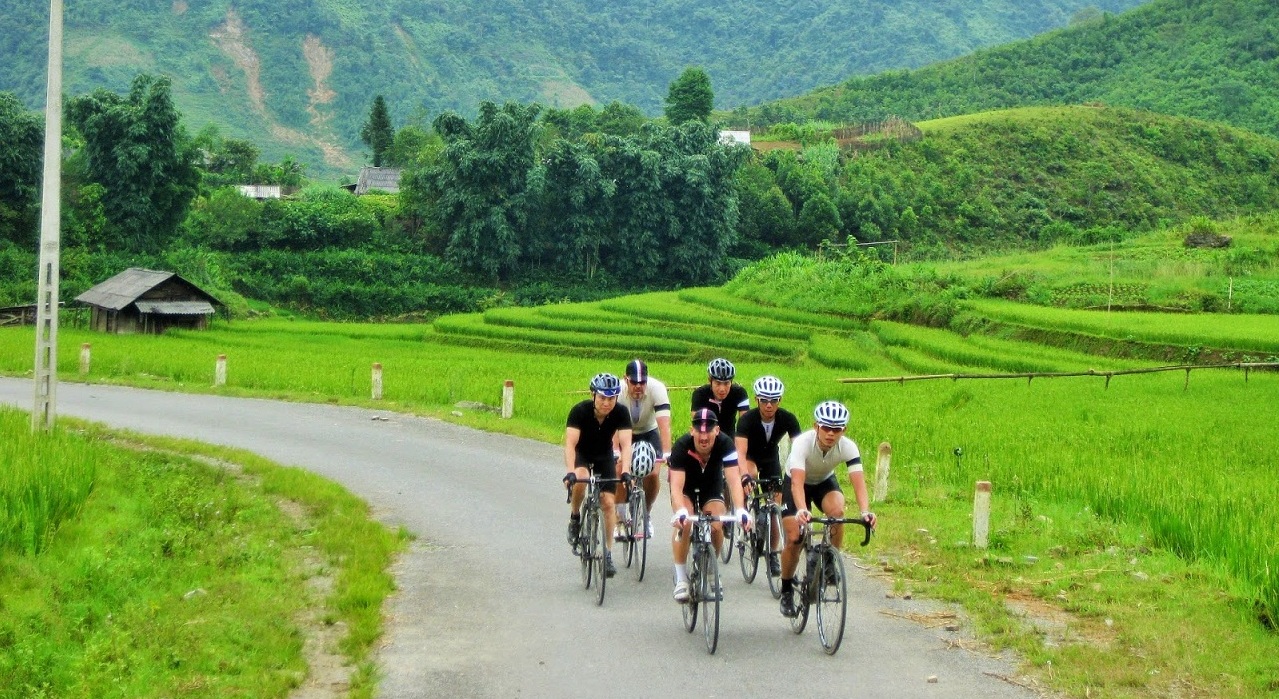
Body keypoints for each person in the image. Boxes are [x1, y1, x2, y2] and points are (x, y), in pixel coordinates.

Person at [777, 400, 876, 618]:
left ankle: (829, 561)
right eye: (826, 428)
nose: (831, 434)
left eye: (837, 429)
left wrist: (865, 512)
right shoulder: (803, 443)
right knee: (795, 537)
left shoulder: (848, 447)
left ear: (844, 430)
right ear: (816, 426)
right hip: (796, 482)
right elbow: (796, 483)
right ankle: (785, 589)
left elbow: (859, 482)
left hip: (823, 481)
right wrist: (802, 509)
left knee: (838, 514)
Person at [668, 408, 751, 602]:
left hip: (711, 486)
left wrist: (740, 510)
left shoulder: (726, 444)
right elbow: (676, 487)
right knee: (686, 522)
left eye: (708, 431)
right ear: (692, 431)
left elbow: (733, 481)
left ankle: (711, 571)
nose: (703, 436)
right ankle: (681, 578)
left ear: (717, 430)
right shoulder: (681, 447)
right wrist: (680, 511)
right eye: (699, 431)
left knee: (715, 525)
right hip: (686, 488)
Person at [564, 372, 633, 578]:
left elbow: (627, 444)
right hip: (582, 454)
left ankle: (608, 554)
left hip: (604, 456)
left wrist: (627, 471)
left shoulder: (621, 412)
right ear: (593, 395)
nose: (607, 402)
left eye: (611, 398)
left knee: (608, 503)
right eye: (602, 397)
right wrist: (570, 472)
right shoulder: (579, 411)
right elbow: (570, 444)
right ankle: (575, 516)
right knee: (581, 478)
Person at [734, 375, 802, 577]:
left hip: (770, 458)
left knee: (775, 506)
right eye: (764, 400)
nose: (769, 405)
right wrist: (745, 476)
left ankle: (773, 553)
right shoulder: (747, 419)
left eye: (774, 400)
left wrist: (793, 478)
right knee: (751, 474)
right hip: (751, 457)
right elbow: (740, 452)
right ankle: (746, 510)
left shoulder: (788, 419)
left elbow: (798, 451)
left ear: (780, 401)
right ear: (757, 400)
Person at [615, 359, 672, 540]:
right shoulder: (617, 390)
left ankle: (646, 513)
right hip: (623, 431)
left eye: (642, 382)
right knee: (620, 470)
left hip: (649, 432)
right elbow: (613, 426)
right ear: (626, 379)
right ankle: (620, 515)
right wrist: (616, 452)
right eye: (634, 382)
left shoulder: (657, 389)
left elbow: (664, 426)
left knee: (654, 474)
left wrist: (667, 454)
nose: (638, 387)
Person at [690, 357, 750, 436]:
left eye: (726, 383)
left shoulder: (739, 393)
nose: (722, 389)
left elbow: (745, 424)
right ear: (710, 381)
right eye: (718, 383)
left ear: (731, 382)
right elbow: (698, 424)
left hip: (730, 438)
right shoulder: (700, 394)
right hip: (707, 436)